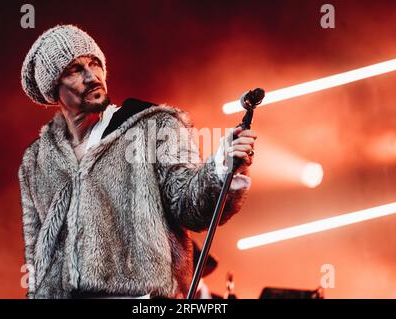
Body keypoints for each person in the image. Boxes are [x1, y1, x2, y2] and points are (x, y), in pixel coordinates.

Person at [18, 24, 257, 299]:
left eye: (95, 63)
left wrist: (220, 167)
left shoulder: (152, 126)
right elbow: (41, 264)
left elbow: (189, 204)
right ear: (54, 88)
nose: (91, 76)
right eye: (74, 70)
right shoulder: (37, 162)